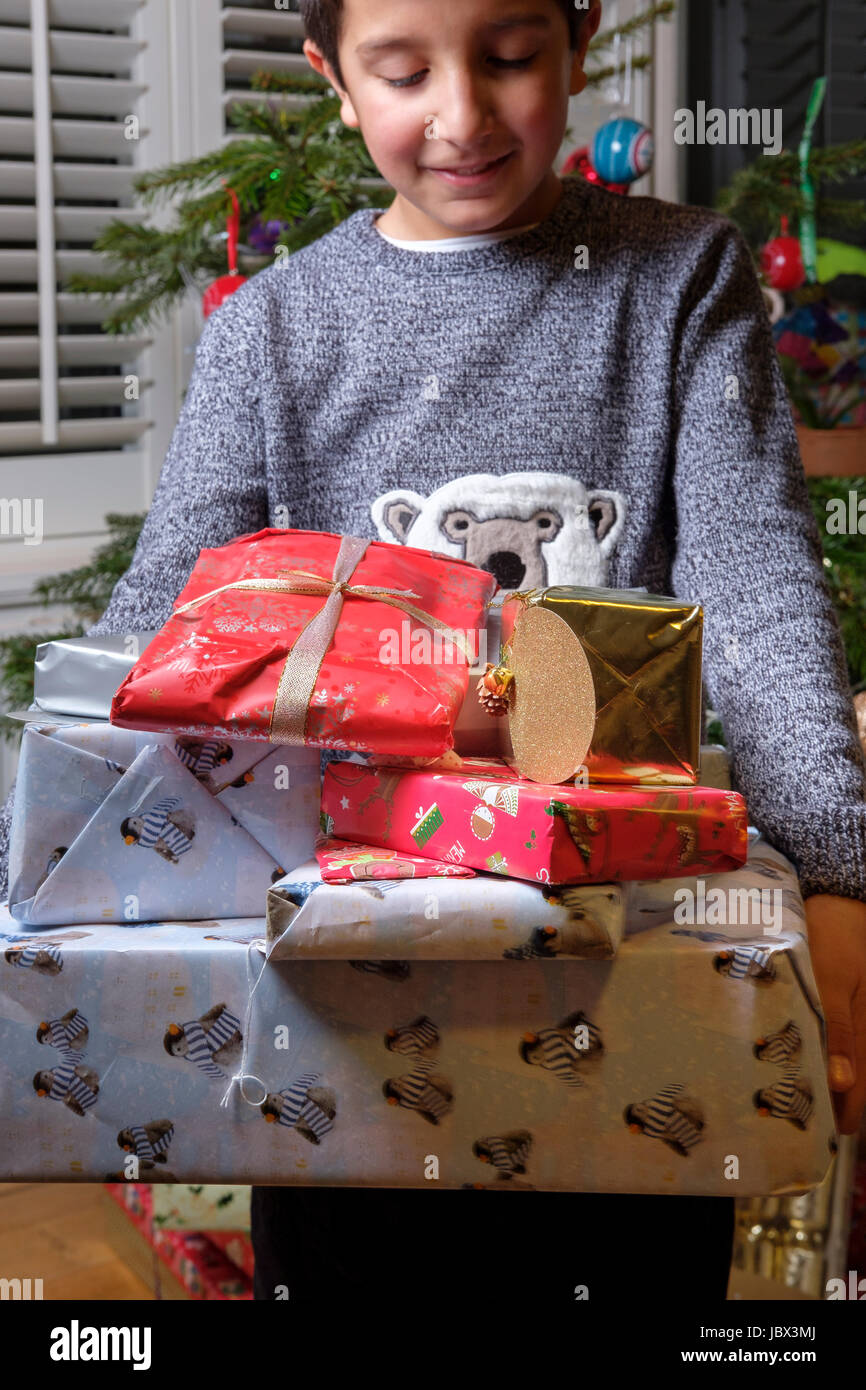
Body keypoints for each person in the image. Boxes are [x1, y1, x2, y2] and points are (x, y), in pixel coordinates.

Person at [1, 0, 864, 1307]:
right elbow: (158, 621)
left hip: (623, 982)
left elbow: (751, 582)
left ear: (577, 47)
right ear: (333, 81)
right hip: (343, 1012)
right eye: (402, 71)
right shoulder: (273, 329)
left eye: (510, 58)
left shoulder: (683, 273)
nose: (460, 115)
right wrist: (35, 867)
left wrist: (838, 880)